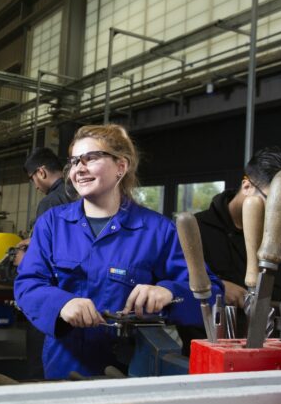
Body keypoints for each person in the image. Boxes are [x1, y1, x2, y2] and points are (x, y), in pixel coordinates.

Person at [14, 124, 223, 379]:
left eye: (90, 158)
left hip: (131, 370)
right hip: (64, 367)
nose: (79, 168)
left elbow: (211, 294)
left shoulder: (158, 231)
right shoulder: (52, 224)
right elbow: (27, 284)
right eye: (74, 161)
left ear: (121, 167)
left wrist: (169, 291)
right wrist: (62, 303)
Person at [196, 147, 281, 307]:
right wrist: (216, 287)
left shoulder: (279, 241)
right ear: (247, 186)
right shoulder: (197, 230)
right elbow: (170, 288)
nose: (280, 212)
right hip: (207, 331)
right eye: (275, 201)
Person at [15, 147, 73, 379]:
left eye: (32, 180)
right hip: (72, 291)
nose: (36, 186)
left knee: (39, 359)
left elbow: (46, 253)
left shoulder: (49, 202)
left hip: (50, 289)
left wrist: (24, 259)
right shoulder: (76, 194)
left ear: (41, 172)